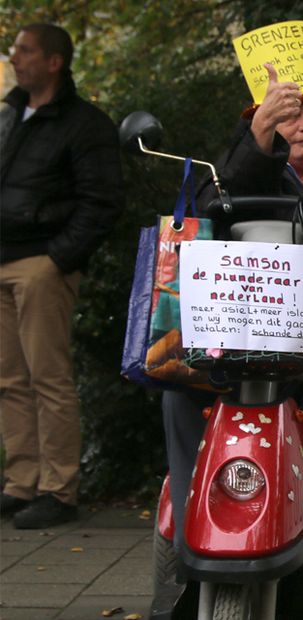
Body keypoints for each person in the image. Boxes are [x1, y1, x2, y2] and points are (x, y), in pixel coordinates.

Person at [162, 63, 303, 605]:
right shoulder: (237, 164)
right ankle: (192, 531)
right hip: (238, 335)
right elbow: (213, 205)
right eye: (293, 112)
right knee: (179, 394)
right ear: (264, 119)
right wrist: (258, 142)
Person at [0, 23, 123, 529]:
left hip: (41, 266)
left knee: (47, 377)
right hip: (4, 258)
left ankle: (59, 489)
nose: (14, 57)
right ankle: (20, 483)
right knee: (9, 379)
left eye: (25, 50)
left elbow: (103, 202)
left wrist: (58, 259)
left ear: (55, 62)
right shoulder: (11, 114)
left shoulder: (84, 123)